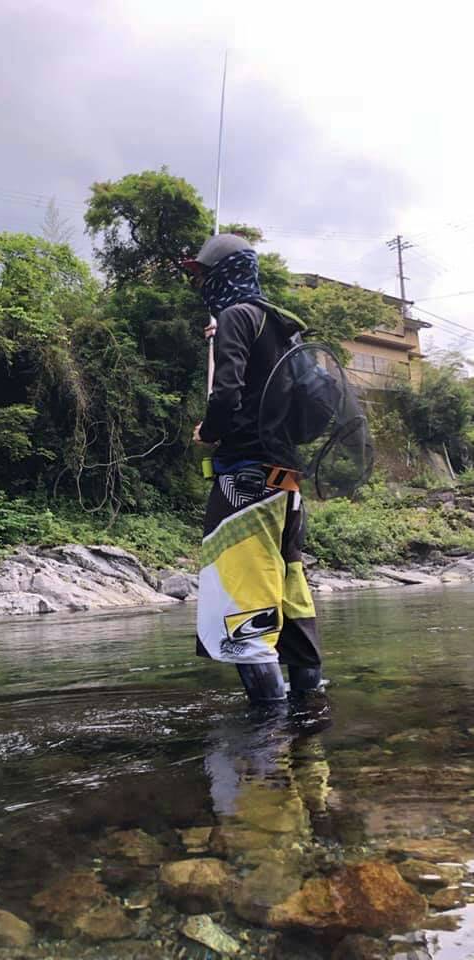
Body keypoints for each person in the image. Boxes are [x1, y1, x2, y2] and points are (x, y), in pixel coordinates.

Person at [181, 234, 324, 709]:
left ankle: (269, 724)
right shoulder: (281, 326)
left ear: (223, 274)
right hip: (286, 480)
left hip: (246, 475)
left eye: (204, 275)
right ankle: (308, 705)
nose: (201, 284)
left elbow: (226, 394)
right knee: (289, 585)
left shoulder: (237, 317)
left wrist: (209, 432)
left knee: (243, 597)